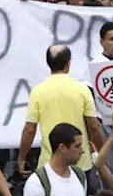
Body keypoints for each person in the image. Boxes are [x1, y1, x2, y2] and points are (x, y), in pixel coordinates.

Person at [19, 45, 104, 174]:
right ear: (68, 63)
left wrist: (21, 160)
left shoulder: (37, 92)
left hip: (49, 164)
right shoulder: (82, 89)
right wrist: (102, 154)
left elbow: (30, 130)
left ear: (48, 63)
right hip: (80, 162)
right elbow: (94, 126)